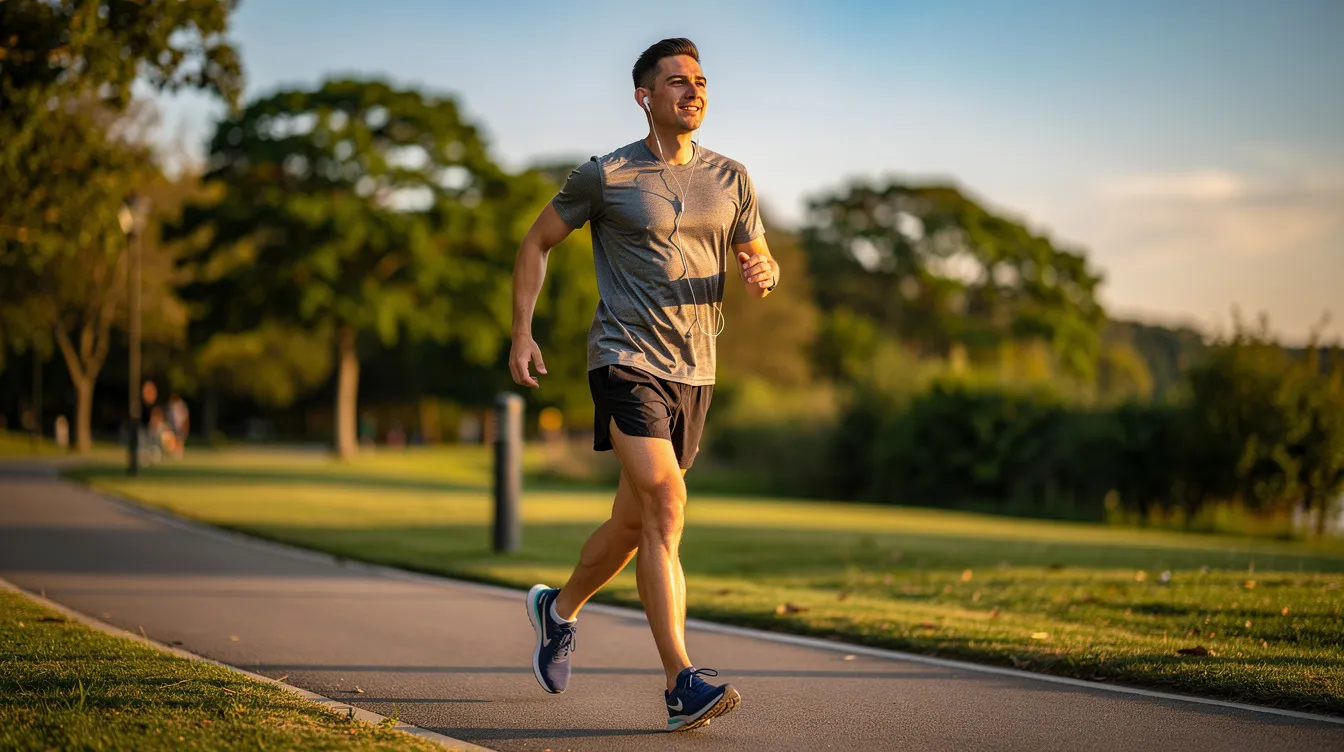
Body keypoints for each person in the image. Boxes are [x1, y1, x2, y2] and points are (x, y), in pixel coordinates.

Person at [508, 37, 779, 732]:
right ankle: (679, 681)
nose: (694, 91)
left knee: (634, 525)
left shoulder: (732, 177)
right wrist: (523, 331)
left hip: (697, 370)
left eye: (701, 81)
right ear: (644, 95)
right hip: (625, 359)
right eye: (678, 82)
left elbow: (756, 251)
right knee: (667, 500)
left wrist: (762, 271)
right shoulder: (608, 176)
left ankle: (557, 609)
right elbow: (535, 241)